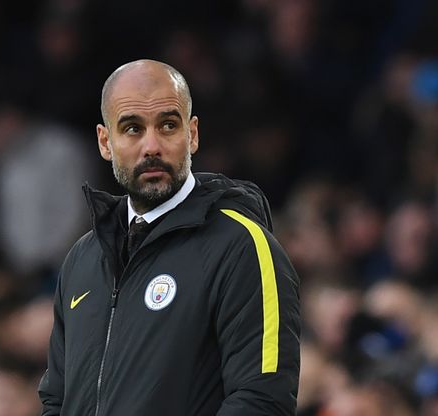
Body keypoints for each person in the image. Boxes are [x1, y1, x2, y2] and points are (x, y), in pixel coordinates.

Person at [38, 59, 301, 415]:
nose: (152, 146)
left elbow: (261, 401)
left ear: (192, 134)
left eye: (168, 125)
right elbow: (56, 400)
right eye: (132, 128)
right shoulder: (82, 260)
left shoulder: (242, 247)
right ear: (105, 141)